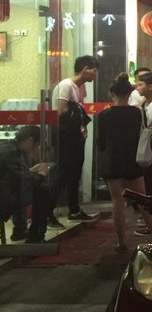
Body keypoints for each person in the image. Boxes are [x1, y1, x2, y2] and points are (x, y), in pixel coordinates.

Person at [96, 74, 152, 251]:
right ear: (129, 93)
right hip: (133, 159)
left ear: (112, 94)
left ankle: (122, 241)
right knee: (142, 199)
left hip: (112, 161)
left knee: (117, 201)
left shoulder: (104, 115)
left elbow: (101, 142)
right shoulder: (138, 113)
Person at [49, 55, 99, 227]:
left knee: (74, 174)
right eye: (94, 70)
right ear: (85, 69)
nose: (95, 75)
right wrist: (76, 110)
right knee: (63, 174)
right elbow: (60, 111)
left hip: (74, 137)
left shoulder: (77, 87)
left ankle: (74, 209)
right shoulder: (66, 85)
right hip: (65, 137)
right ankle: (47, 212)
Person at [0, 126, 51, 243]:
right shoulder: (12, 153)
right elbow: (28, 181)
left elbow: (15, 175)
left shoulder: (9, 149)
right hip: (4, 198)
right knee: (42, 190)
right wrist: (42, 174)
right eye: (36, 145)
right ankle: (36, 235)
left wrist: (30, 171)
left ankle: (20, 229)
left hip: (5, 191)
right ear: (30, 141)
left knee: (29, 190)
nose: (35, 149)